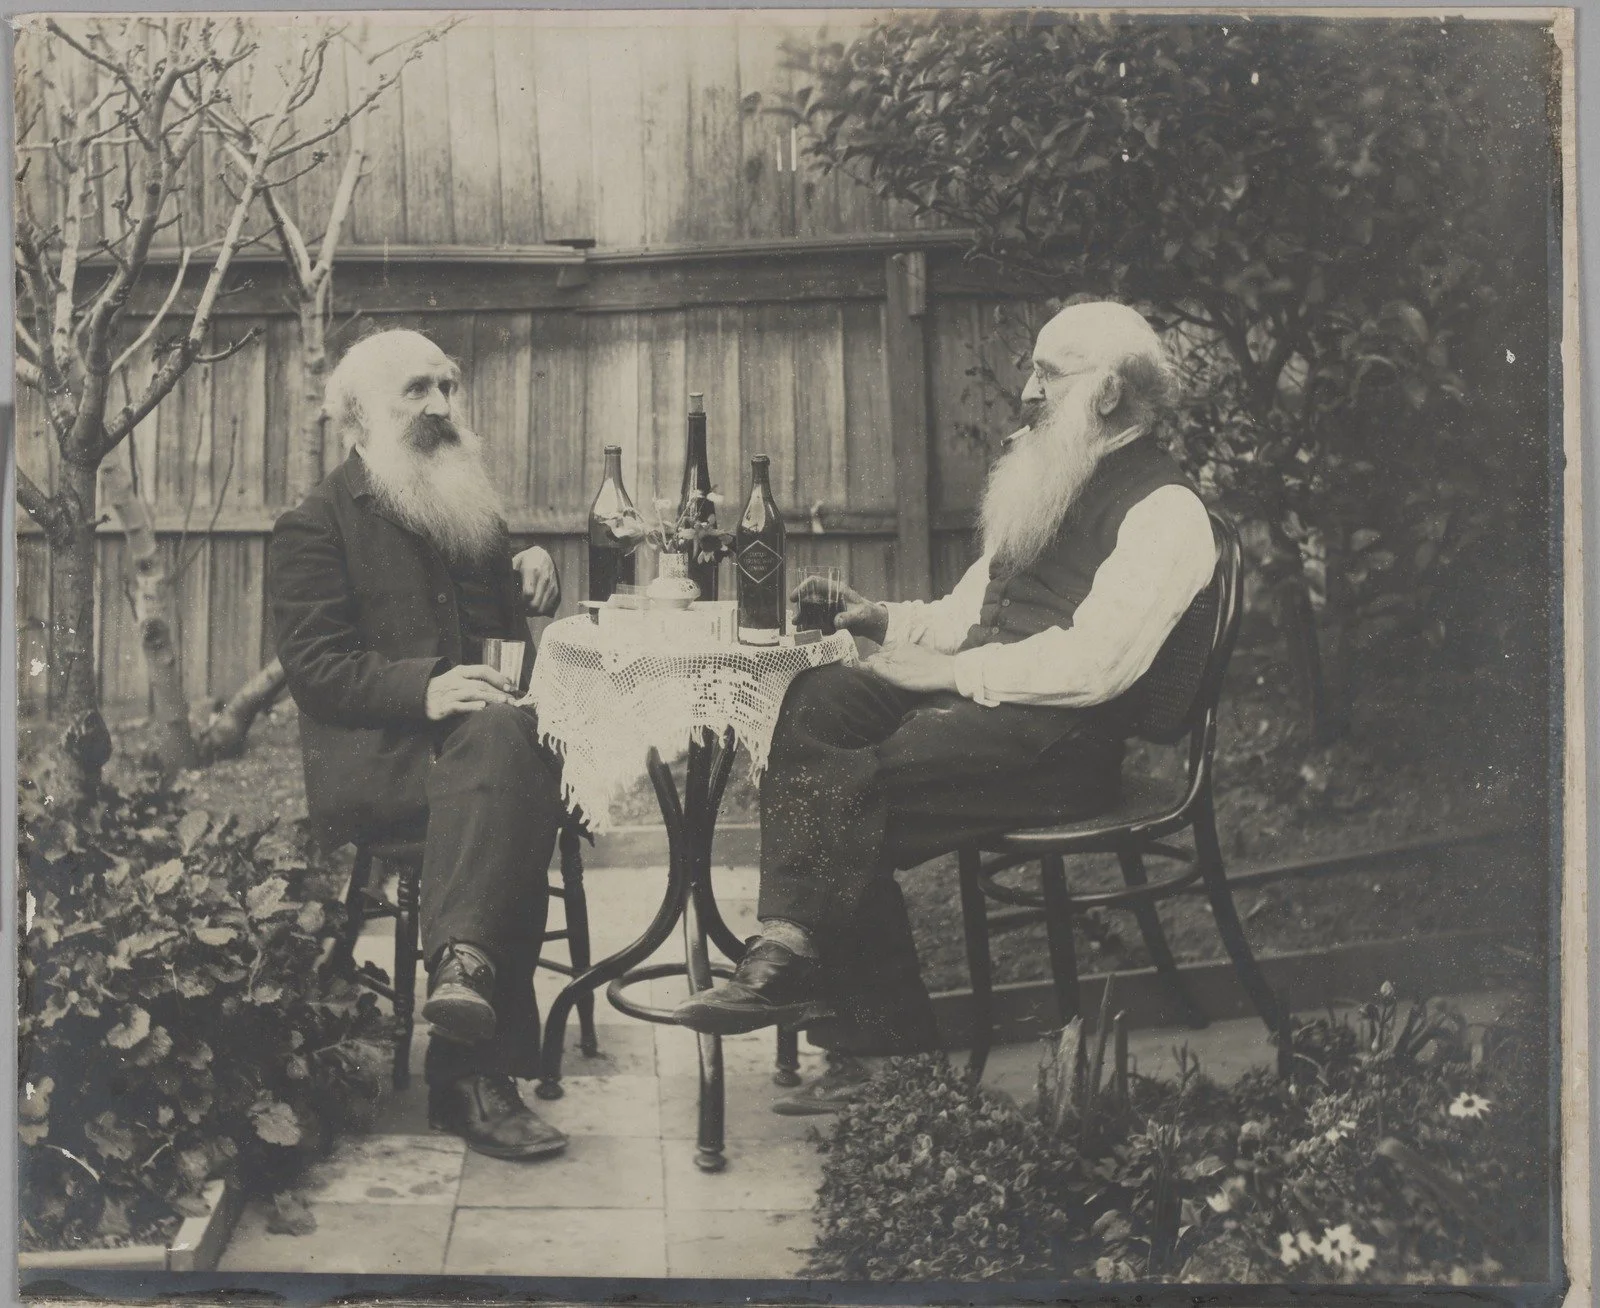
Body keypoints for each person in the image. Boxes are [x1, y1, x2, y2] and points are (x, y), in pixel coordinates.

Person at [672, 302, 1218, 1111]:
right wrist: (887, 621)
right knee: (816, 698)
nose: (1027, 392)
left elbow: (1096, 668)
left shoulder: (1165, 511)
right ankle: (795, 951)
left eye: (1048, 376)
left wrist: (945, 677)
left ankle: (869, 1037)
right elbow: (972, 612)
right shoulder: (1052, 473)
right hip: (987, 712)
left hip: (1062, 746)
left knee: (852, 789)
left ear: (1107, 395)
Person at [271, 329, 571, 1160]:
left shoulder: (463, 505)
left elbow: (506, 643)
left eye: (448, 386)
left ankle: (463, 969)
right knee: (506, 783)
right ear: (358, 415)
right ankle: (471, 1076)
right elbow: (318, 671)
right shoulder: (313, 527)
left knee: (505, 754)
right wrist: (427, 687)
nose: (442, 407)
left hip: (485, 757)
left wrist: (531, 566)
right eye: (417, 391)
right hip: (383, 765)